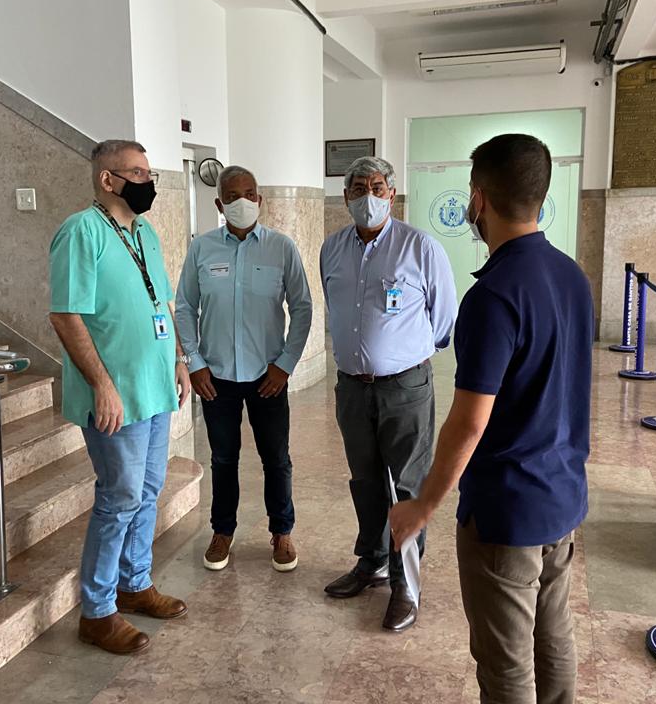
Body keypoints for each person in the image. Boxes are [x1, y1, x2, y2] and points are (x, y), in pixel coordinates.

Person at [390, 134, 593, 703]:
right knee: (554, 635)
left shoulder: (493, 296)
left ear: (477, 199)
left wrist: (423, 505)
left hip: (507, 513)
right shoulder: (571, 276)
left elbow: (469, 422)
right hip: (562, 495)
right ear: (541, 196)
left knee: (505, 665)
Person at [49, 139, 192, 655]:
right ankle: (97, 611)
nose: (147, 182)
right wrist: (102, 385)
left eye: (149, 173)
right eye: (137, 173)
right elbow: (65, 315)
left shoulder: (145, 232)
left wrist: (179, 359)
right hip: (115, 396)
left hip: (153, 387)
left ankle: (135, 583)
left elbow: (163, 304)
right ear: (107, 180)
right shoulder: (81, 231)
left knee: (149, 489)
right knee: (120, 496)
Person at [320, 155, 457, 632]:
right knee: (365, 480)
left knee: (408, 485)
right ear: (345, 197)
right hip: (351, 387)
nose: (368, 197)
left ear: (392, 194)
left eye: (376, 188)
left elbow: (444, 320)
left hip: (405, 387)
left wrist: (401, 355)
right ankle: (373, 561)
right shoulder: (332, 248)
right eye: (358, 189)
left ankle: (406, 585)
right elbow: (335, 308)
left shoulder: (420, 247)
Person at [175, 165, 313, 572]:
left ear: (260, 199)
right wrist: (194, 362)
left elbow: (302, 307)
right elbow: (184, 307)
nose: (242, 202)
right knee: (223, 458)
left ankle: (282, 531)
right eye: (232, 196)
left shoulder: (281, 248)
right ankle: (222, 531)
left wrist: (285, 364)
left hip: (267, 376)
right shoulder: (202, 249)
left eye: (249, 194)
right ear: (219, 204)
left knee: (276, 458)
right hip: (215, 377)